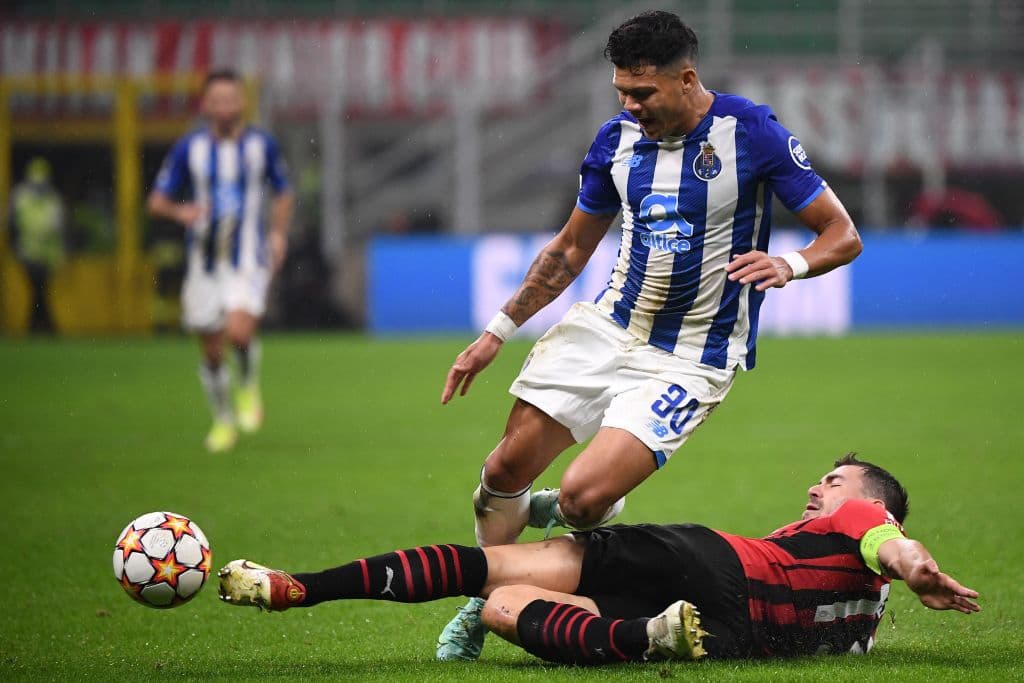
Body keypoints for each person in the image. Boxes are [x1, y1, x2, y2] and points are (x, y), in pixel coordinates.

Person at [434, 10, 864, 659]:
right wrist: (498, 330)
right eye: (622, 93)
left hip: (694, 352)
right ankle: (480, 598)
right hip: (609, 327)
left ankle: (525, 558)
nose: (631, 106)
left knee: (582, 501)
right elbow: (571, 249)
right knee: (503, 468)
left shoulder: (752, 132)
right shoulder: (617, 141)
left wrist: (790, 262)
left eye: (643, 93)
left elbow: (843, 233)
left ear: (686, 78)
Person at [217, 454, 980, 664]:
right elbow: (882, 567)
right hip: (728, 634)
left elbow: (893, 543)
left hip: (714, 561)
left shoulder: (864, 517)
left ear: (869, 498)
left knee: (498, 570)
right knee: (503, 610)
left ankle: (302, 588)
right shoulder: (863, 622)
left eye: (835, 480)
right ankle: (645, 639)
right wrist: (903, 577)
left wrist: (916, 566)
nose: (818, 488)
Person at [147, 69, 294, 453]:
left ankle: (247, 386)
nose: (226, 106)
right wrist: (182, 213)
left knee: (240, 334)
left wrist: (278, 234)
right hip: (204, 264)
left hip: (248, 259)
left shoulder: (261, 145)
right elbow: (157, 200)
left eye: (232, 98)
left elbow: (283, 192)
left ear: (243, 102)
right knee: (211, 351)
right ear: (207, 105)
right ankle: (223, 419)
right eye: (218, 100)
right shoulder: (189, 149)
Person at [8, 157, 66, 333]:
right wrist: (14, 249)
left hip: (46, 256)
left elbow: (59, 230)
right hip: (28, 254)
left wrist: (59, 255)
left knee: (39, 291)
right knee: (38, 290)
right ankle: (44, 326)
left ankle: (37, 326)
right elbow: (11, 226)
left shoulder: (52, 199)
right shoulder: (20, 197)